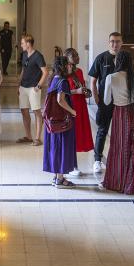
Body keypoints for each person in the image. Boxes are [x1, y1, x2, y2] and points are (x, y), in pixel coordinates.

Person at [100, 51, 134, 195]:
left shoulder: (111, 78)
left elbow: (106, 101)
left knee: (119, 149)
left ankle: (116, 183)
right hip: (133, 113)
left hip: (119, 114)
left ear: (117, 62)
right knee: (133, 148)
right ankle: (131, 184)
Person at [88, 32, 123, 173]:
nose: (115, 44)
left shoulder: (124, 58)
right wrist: (96, 98)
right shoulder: (101, 58)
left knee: (119, 131)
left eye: (118, 41)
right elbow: (93, 81)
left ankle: (118, 159)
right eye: (112, 41)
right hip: (105, 101)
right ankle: (97, 159)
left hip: (121, 101)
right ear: (109, 42)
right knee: (102, 130)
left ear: (122, 43)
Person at [43, 56, 78, 188]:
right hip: (62, 121)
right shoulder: (63, 81)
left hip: (54, 121)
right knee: (63, 147)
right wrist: (72, 111)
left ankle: (56, 177)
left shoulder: (54, 79)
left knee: (55, 148)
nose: (71, 67)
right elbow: (60, 100)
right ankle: (60, 179)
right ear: (63, 66)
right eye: (68, 65)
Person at [63, 48, 94, 178]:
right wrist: (77, 92)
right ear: (67, 58)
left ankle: (74, 165)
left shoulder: (79, 71)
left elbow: (81, 87)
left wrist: (85, 92)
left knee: (77, 136)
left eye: (77, 54)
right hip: (70, 106)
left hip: (80, 105)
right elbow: (63, 92)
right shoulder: (63, 73)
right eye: (74, 55)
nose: (77, 57)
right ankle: (69, 166)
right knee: (69, 136)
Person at [16, 34, 48, 146]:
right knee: (24, 111)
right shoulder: (24, 54)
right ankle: (28, 136)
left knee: (36, 112)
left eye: (22, 43)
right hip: (23, 87)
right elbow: (23, 70)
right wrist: (18, 84)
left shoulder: (38, 56)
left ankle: (37, 138)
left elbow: (45, 72)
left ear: (28, 44)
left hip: (33, 88)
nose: (21, 45)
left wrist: (39, 86)